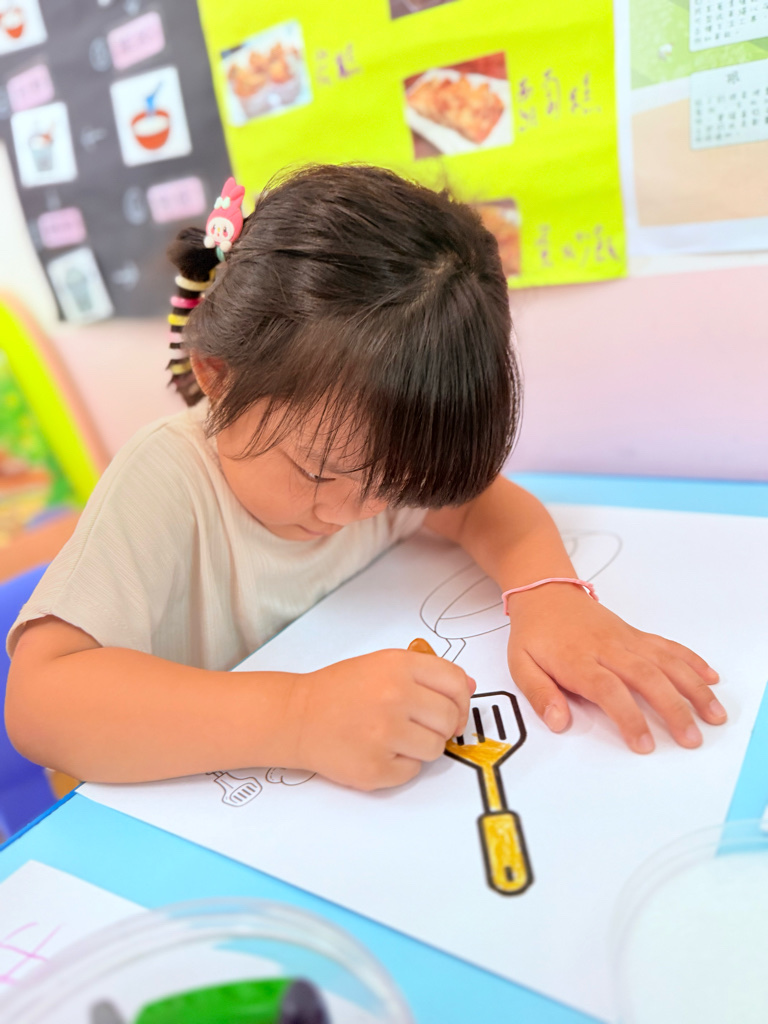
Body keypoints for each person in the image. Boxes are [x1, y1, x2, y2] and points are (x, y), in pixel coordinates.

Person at [5, 165, 726, 790]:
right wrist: (297, 717)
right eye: (317, 473)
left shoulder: (365, 453)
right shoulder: (167, 479)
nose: (355, 511)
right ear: (217, 379)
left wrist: (549, 598)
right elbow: (39, 703)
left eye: (397, 484)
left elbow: (483, 507)